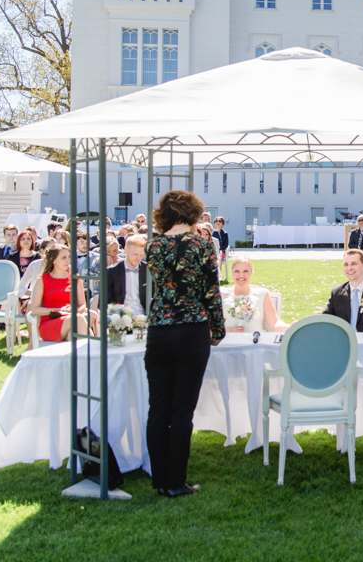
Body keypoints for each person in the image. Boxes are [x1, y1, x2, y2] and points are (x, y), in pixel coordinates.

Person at [145, 190, 224, 499]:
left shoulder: (153, 245)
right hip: (192, 329)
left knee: (158, 408)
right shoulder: (203, 246)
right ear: (190, 214)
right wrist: (217, 329)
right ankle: (176, 482)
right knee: (181, 411)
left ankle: (160, 479)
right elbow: (212, 292)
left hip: (160, 329)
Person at [29, 242, 91, 343]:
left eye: (69, 257)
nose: (68, 260)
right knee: (79, 319)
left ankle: (84, 356)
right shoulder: (42, 280)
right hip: (49, 323)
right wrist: (56, 310)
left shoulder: (75, 278)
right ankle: (94, 352)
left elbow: (82, 305)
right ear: (53, 260)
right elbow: (35, 310)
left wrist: (72, 311)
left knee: (73, 335)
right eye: (64, 258)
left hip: (71, 318)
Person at [220, 255, 289, 333]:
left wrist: (292, 327)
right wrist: (229, 331)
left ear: (251, 272)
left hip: (256, 341)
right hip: (229, 342)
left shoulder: (262, 294)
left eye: (245, 271)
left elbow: (275, 324)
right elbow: (211, 326)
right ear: (231, 272)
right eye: (237, 271)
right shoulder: (221, 294)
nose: (241, 275)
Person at [103, 233, 148, 315]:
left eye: (141, 255)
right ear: (126, 250)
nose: (138, 258)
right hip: (120, 317)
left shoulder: (147, 270)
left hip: (144, 315)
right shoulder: (112, 271)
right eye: (135, 254)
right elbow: (105, 301)